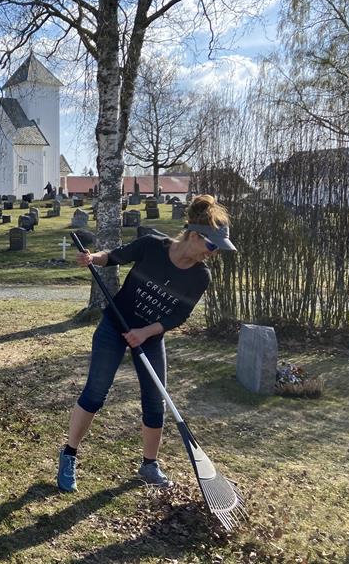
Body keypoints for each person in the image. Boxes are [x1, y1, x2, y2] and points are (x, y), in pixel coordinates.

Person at [57, 195, 236, 491]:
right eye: (212, 246)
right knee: (95, 393)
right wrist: (93, 258)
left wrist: (145, 332)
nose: (213, 253)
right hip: (114, 326)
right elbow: (115, 256)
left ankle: (149, 465)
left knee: (155, 401)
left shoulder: (200, 277)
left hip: (150, 336)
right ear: (195, 235)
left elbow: (178, 315)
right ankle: (69, 454)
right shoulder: (153, 246)